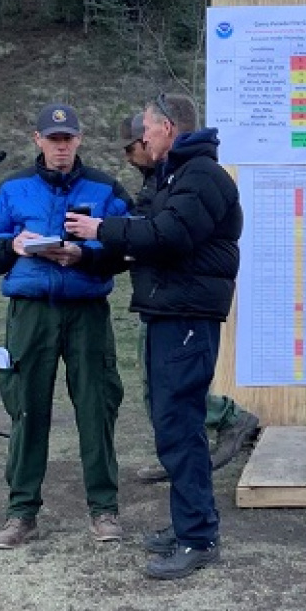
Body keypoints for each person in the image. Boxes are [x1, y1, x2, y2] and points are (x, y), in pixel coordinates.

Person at [68, 92, 242, 579]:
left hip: (187, 315)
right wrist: (88, 251)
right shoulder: (173, 176)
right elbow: (149, 240)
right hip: (168, 311)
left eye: (146, 128)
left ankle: (198, 538)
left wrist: (103, 228)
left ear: (168, 127)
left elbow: (168, 237)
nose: (141, 138)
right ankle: (191, 523)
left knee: (180, 423)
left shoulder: (202, 176)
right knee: (172, 424)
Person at [0, 104, 131, 549]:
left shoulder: (106, 189)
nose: (61, 147)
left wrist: (88, 255)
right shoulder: (14, 188)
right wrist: (12, 245)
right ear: (37, 139)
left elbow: (130, 244)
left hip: (87, 313)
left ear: (79, 140)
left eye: (68, 139)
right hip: (30, 312)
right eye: (53, 139)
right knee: (26, 409)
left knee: (97, 407)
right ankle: (21, 513)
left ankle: (104, 509)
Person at [116, 112, 260, 482]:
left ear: (163, 132)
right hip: (159, 299)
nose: (132, 155)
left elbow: (170, 236)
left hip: (182, 305)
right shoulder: (159, 181)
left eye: (135, 145)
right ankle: (180, 468)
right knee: (160, 395)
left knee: (172, 396)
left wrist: (127, 236)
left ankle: (229, 419)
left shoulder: (192, 179)